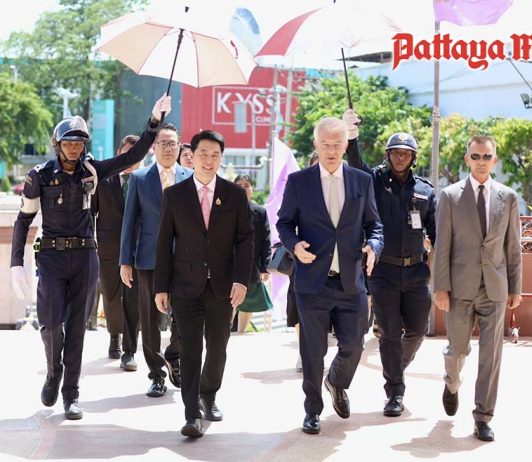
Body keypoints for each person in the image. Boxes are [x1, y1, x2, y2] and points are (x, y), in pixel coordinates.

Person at [10, 95, 170, 420]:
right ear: (57, 144)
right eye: (68, 143)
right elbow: (24, 219)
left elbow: (134, 155)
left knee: (77, 329)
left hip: (85, 256)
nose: (74, 148)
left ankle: (71, 395)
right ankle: (53, 371)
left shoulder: (93, 171)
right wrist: (16, 262)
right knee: (51, 325)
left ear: (84, 145)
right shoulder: (40, 176)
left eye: (79, 143)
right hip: (51, 257)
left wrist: (154, 122)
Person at [277, 117, 383, 435]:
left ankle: (336, 382)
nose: (332, 151)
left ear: (346, 145)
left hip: (351, 280)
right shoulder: (299, 182)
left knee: (354, 345)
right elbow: (284, 223)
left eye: (337, 145)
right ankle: (312, 410)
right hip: (312, 282)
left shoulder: (361, 181)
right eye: (325, 145)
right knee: (313, 351)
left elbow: (374, 225)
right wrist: (295, 245)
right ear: (316, 145)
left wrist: (374, 246)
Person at [154, 130, 254, 438]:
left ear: (221, 158)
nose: (209, 161)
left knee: (218, 346)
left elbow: (245, 240)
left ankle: (209, 394)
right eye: (203, 154)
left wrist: (241, 280)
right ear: (192, 156)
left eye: (215, 155)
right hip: (185, 285)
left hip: (223, 286)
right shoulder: (175, 195)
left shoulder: (234, 195)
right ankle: (191, 414)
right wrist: (161, 286)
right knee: (190, 348)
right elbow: (164, 243)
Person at [343, 109, 436, 417]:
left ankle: (396, 365)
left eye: (405, 153)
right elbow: (356, 165)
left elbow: (436, 231)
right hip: (383, 272)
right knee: (390, 333)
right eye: (395, 152)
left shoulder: (425, 190)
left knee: (418, 330)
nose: (400, 157)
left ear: (413, 157)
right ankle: (395, 392)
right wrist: (352, 136)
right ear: (388, 155)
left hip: (416, 271)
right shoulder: (374, 180)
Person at [433, 135, 522, 442]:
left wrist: (515, 287)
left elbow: (513, 247)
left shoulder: (509, 197)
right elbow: (442, 246)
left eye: (486, 156)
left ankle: (483, 417)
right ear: (467, 159)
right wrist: (440, 288)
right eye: (476, 156)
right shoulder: (450, 196)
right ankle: (452, 382)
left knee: (491, 356)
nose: (481, 161)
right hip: (459, 288)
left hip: (495, 289)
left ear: (494, 160)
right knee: (457, 349)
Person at [120, 123, 193, 397]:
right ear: (154, 147)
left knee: (184, 315)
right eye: (163, 143)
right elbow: (130, 223)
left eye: (173, 143)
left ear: (179, 146)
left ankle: (173, 356)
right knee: (149, 320)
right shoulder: (140, 178)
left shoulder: (191, 177)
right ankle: (156, 375)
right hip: (148, 259)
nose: (168, 148)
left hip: (184, 259)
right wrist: (125, 261)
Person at [92, 134, 141, 369]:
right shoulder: (104, 179)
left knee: (134, 298)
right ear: (119, 153)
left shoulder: (146, 180)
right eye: (127, 154)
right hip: (109, 247)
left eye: (136, 155)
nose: (131, 160)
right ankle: (114, 337)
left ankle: (130, 346)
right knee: (111, 294)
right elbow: (91, 212)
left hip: (139, 248)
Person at [288, 151, 319, 371]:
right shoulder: (298, 189)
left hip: (334, 263)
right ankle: (304, 351)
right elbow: (285, 223)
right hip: (302, 260)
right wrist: (295, 244)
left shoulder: (345, 190)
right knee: (298, 310)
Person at [232, 174, 273, 332]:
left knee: (247, 301)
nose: (244, 188)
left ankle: (241, 333)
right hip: (229, 263)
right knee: (228, 300)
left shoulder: (260, 212)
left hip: (252, 264)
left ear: (252, 189)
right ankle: (224, 334)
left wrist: (265, 267)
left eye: (247, 185)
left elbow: (266, 240)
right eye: (240, 185)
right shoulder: (226, 210)